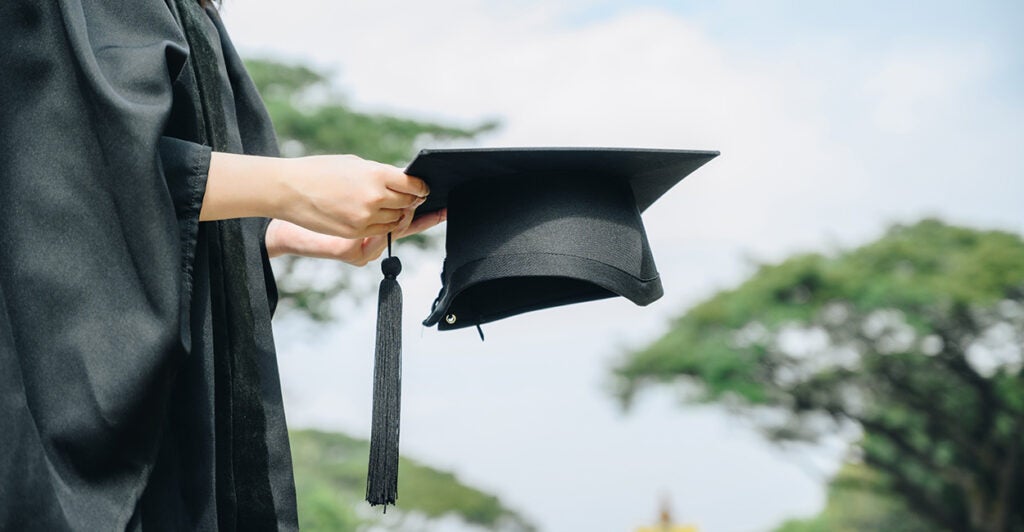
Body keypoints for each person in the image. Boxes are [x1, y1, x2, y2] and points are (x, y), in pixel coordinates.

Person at [0, 0, 443, 529]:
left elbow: (174, 198)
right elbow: (59, 169)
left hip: (194, 417)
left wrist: (280, 229)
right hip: (68, 433)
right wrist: (290, 187)